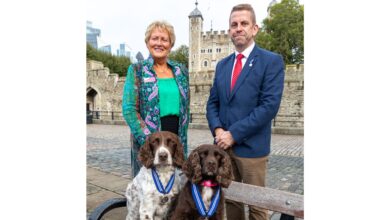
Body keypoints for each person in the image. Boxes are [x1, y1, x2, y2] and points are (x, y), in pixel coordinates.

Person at [206, 4, 285, 220]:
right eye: (234, 25)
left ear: (254, 28)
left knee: (257, 206)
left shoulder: (271, 61)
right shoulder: (222, 65)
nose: (238, 28)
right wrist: (219, 130)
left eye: (243, 23)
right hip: (223, 148)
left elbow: (269, 106)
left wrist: (234, 134)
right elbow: (213, 103)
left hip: (252, 150)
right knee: (231, 201)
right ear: (229, 30)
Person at [122, 21, 190, 178]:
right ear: (147, 42)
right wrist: (150, 142)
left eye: (164, 39)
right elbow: (129, 109)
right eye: (154, 38)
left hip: (176, 140)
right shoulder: (137, 70)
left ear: (171, 44)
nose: (159, 43)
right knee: (149, 190)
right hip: (150, 142)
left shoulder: (181, 71)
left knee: (176, 187)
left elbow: (186, 108)